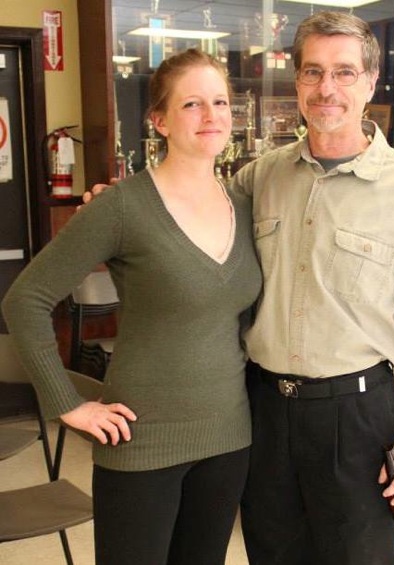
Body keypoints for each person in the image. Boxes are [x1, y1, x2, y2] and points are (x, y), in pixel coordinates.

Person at [84, 12, 394, 565]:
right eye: (313, 72)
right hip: (263, 410)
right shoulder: (258, 177)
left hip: (357, 415)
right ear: (298, 83)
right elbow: (186, 211)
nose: (327, 88)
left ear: (370, 82)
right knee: (271, 552)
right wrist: (119, 206)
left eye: (344, 72)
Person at [1, 48, 262, 565]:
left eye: (219, 102)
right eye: (191, 104)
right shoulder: (121, 206)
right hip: (142, 438)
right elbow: (25, 300)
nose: (210, 115)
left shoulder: (244, 204)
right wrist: (67, 402)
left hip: (229, 436)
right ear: (159, 121)